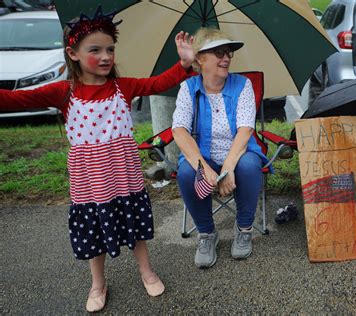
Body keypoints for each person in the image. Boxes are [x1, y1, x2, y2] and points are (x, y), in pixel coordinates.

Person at [0, 6, 194, 312]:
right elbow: (15, 99)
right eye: (95, 50)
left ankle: (146, 270)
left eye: (110, 49)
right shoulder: (64, 92)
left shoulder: (124, 87)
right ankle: (98, 283)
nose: (105, 56)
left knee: (136, 226)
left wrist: (183, 63)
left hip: (125, 176)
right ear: (73, 53)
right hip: (91, 182)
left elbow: (157, 84)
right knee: (94, 231)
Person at [172, 27, 269, 269]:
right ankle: (206, 234)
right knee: (186, 172)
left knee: (248, 165)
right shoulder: (188, 89)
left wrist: (227, 169)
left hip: (238, 152)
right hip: (204, 156)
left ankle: (244, 228)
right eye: (218, 52)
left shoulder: (242, 85)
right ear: (199, 59)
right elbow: (179, 130)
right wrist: (204, 167)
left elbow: (246, 130)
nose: (226, 58)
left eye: (228, 52)